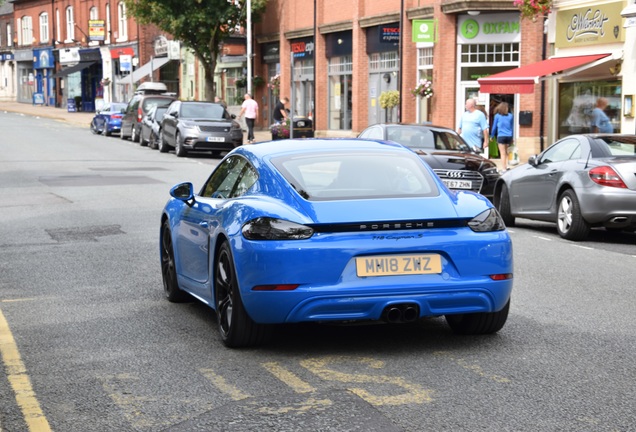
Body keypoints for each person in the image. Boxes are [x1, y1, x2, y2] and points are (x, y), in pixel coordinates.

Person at [490, 102, 514, 171]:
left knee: (502, 153)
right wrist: (512, 137)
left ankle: (504, 168)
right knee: (507, 152)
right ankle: (507, 166)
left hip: (501, 136)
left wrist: (492, 136)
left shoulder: (497, 116)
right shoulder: (510, 116)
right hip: (509, 136)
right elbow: (512, 127)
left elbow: (494, 127)